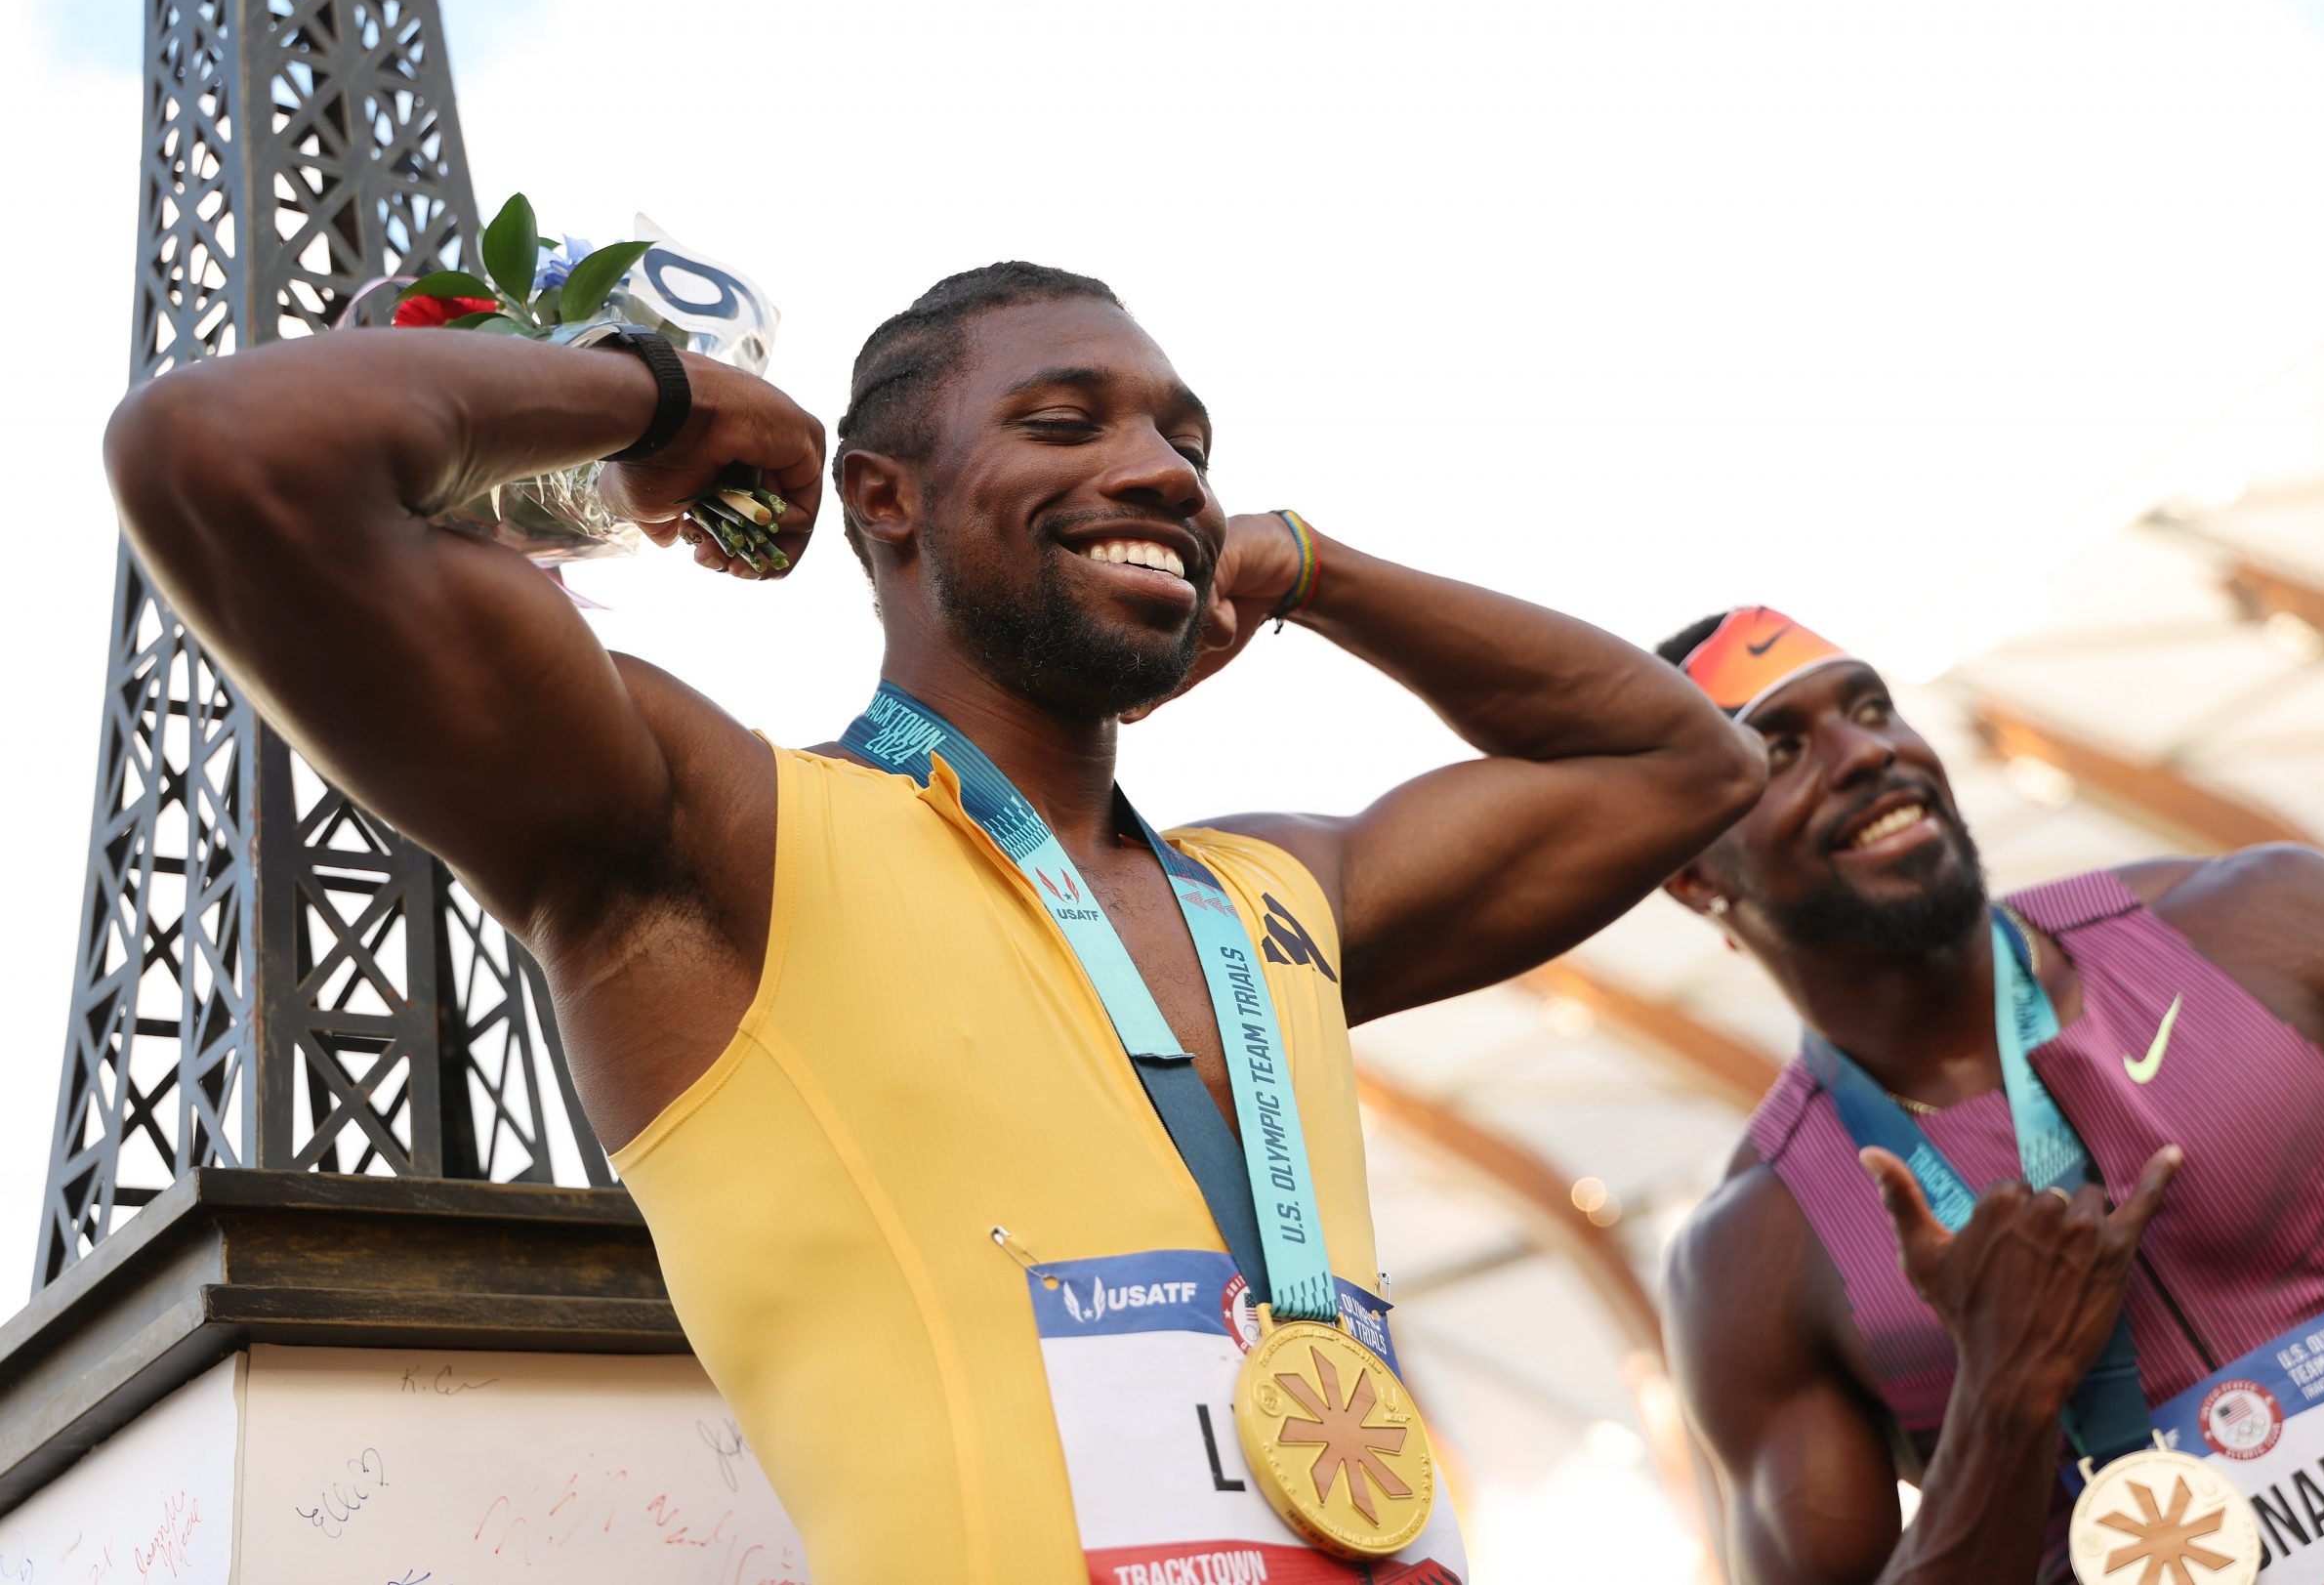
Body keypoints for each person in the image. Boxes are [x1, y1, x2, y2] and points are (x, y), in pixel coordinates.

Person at [101, 262, 1764, 1581]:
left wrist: (1307, 563)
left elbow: (1679, 760)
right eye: (1064, 422)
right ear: (883, 500)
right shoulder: (719, 841)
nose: (1157, 469)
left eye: (1188, 443)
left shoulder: (1277, 898)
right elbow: (222, 454)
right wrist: (654, 393)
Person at [1655, 606, 2324, 1585]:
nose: (1865, 754)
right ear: (1690, 875)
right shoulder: (1750, 1252)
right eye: (1781, 748)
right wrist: (2003, 1391)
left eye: (1873, 708)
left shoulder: (2270, 928)